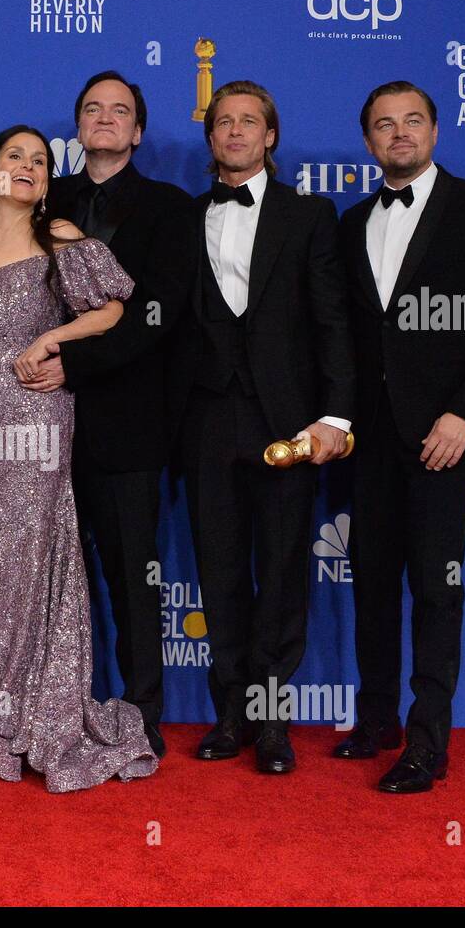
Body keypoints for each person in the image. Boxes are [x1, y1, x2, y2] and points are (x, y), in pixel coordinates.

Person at [0, 71, 192, 757]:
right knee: (27, 572)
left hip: (120, 425)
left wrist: (68, 361)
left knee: (130, 574)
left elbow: (151, 317)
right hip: (29, 426)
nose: (105, 118)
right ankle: (24, 697)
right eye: (92, 109)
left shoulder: (172, 208)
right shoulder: (50, 205)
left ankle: (143, 713)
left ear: (139, 131)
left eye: (121, 112)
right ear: (76, 126)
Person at [0, 125, 158, 792]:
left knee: (25, 551)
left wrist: (54, 336)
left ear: (48, 180)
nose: (26, 167)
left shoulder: (65, 242)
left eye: (39, 161)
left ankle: (23, 703)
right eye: (15, 157)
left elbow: (111, 313)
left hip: (36, 419)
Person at [335, 81, 465, 792]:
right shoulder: (352, 221)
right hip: (371, 436)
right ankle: (377, 720)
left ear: (436, 131)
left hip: (444, 432)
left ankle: (427, 744)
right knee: (374, 581)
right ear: (368, 141)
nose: (399, 134)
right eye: (384, 124)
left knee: (439, 589)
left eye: (412, 121)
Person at [171, 81, 354, 774]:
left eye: (250, 121)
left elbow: (332, 321)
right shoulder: (185, 219)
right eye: (225, 122)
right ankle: (229, 716)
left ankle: (273, 723)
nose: (237, 131)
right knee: (218, 574)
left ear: (270, 136)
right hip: (208, 420)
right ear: (211, 137)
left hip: (289, 422)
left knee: (280, 574)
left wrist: (334, 415)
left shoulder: (309, 216)